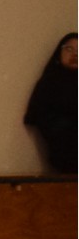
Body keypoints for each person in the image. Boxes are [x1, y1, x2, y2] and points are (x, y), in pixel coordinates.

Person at [24, 32, 77, 175]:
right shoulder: (50, 82)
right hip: (65, 152)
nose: (75, 54)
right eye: (69, 49)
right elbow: (38, 114)